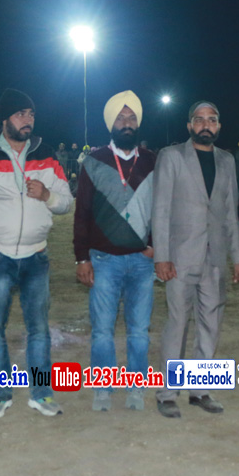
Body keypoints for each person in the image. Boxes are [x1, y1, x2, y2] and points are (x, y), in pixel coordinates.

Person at [0, 88, 73, 418]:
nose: (28, 120)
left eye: (31, 114)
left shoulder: (47, 155)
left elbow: (66, 202)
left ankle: (41, 393)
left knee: (38, 329)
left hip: (36, 257)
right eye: (20, 114)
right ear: (4, 119)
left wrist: (47, 195)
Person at [152, 100, 239, 418]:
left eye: (212, 119)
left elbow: (231, 212)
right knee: (177, 324)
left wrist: (237, 258)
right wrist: (162, 256)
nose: (206, 124)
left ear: (219, 126)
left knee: (211, 324)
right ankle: (167, 394)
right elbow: (161, 209)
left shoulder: (227, 160)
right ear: (190, 125)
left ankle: (200, 390)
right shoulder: (171, 156)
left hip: (215, 257)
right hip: (180, 258)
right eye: (200, 119)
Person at [74, 90, 156, 412]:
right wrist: (82, 257)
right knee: (102, 331)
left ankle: (136, 388)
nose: (127, 123)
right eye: (121, 118)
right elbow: (82, 213)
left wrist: (155, 245)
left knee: (139, 332)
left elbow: (163, 208)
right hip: (103, 260)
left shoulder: (152, 161)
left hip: (141, 262)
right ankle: (103, 389)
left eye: (132, 117)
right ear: (111, 123)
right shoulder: (94, 161)